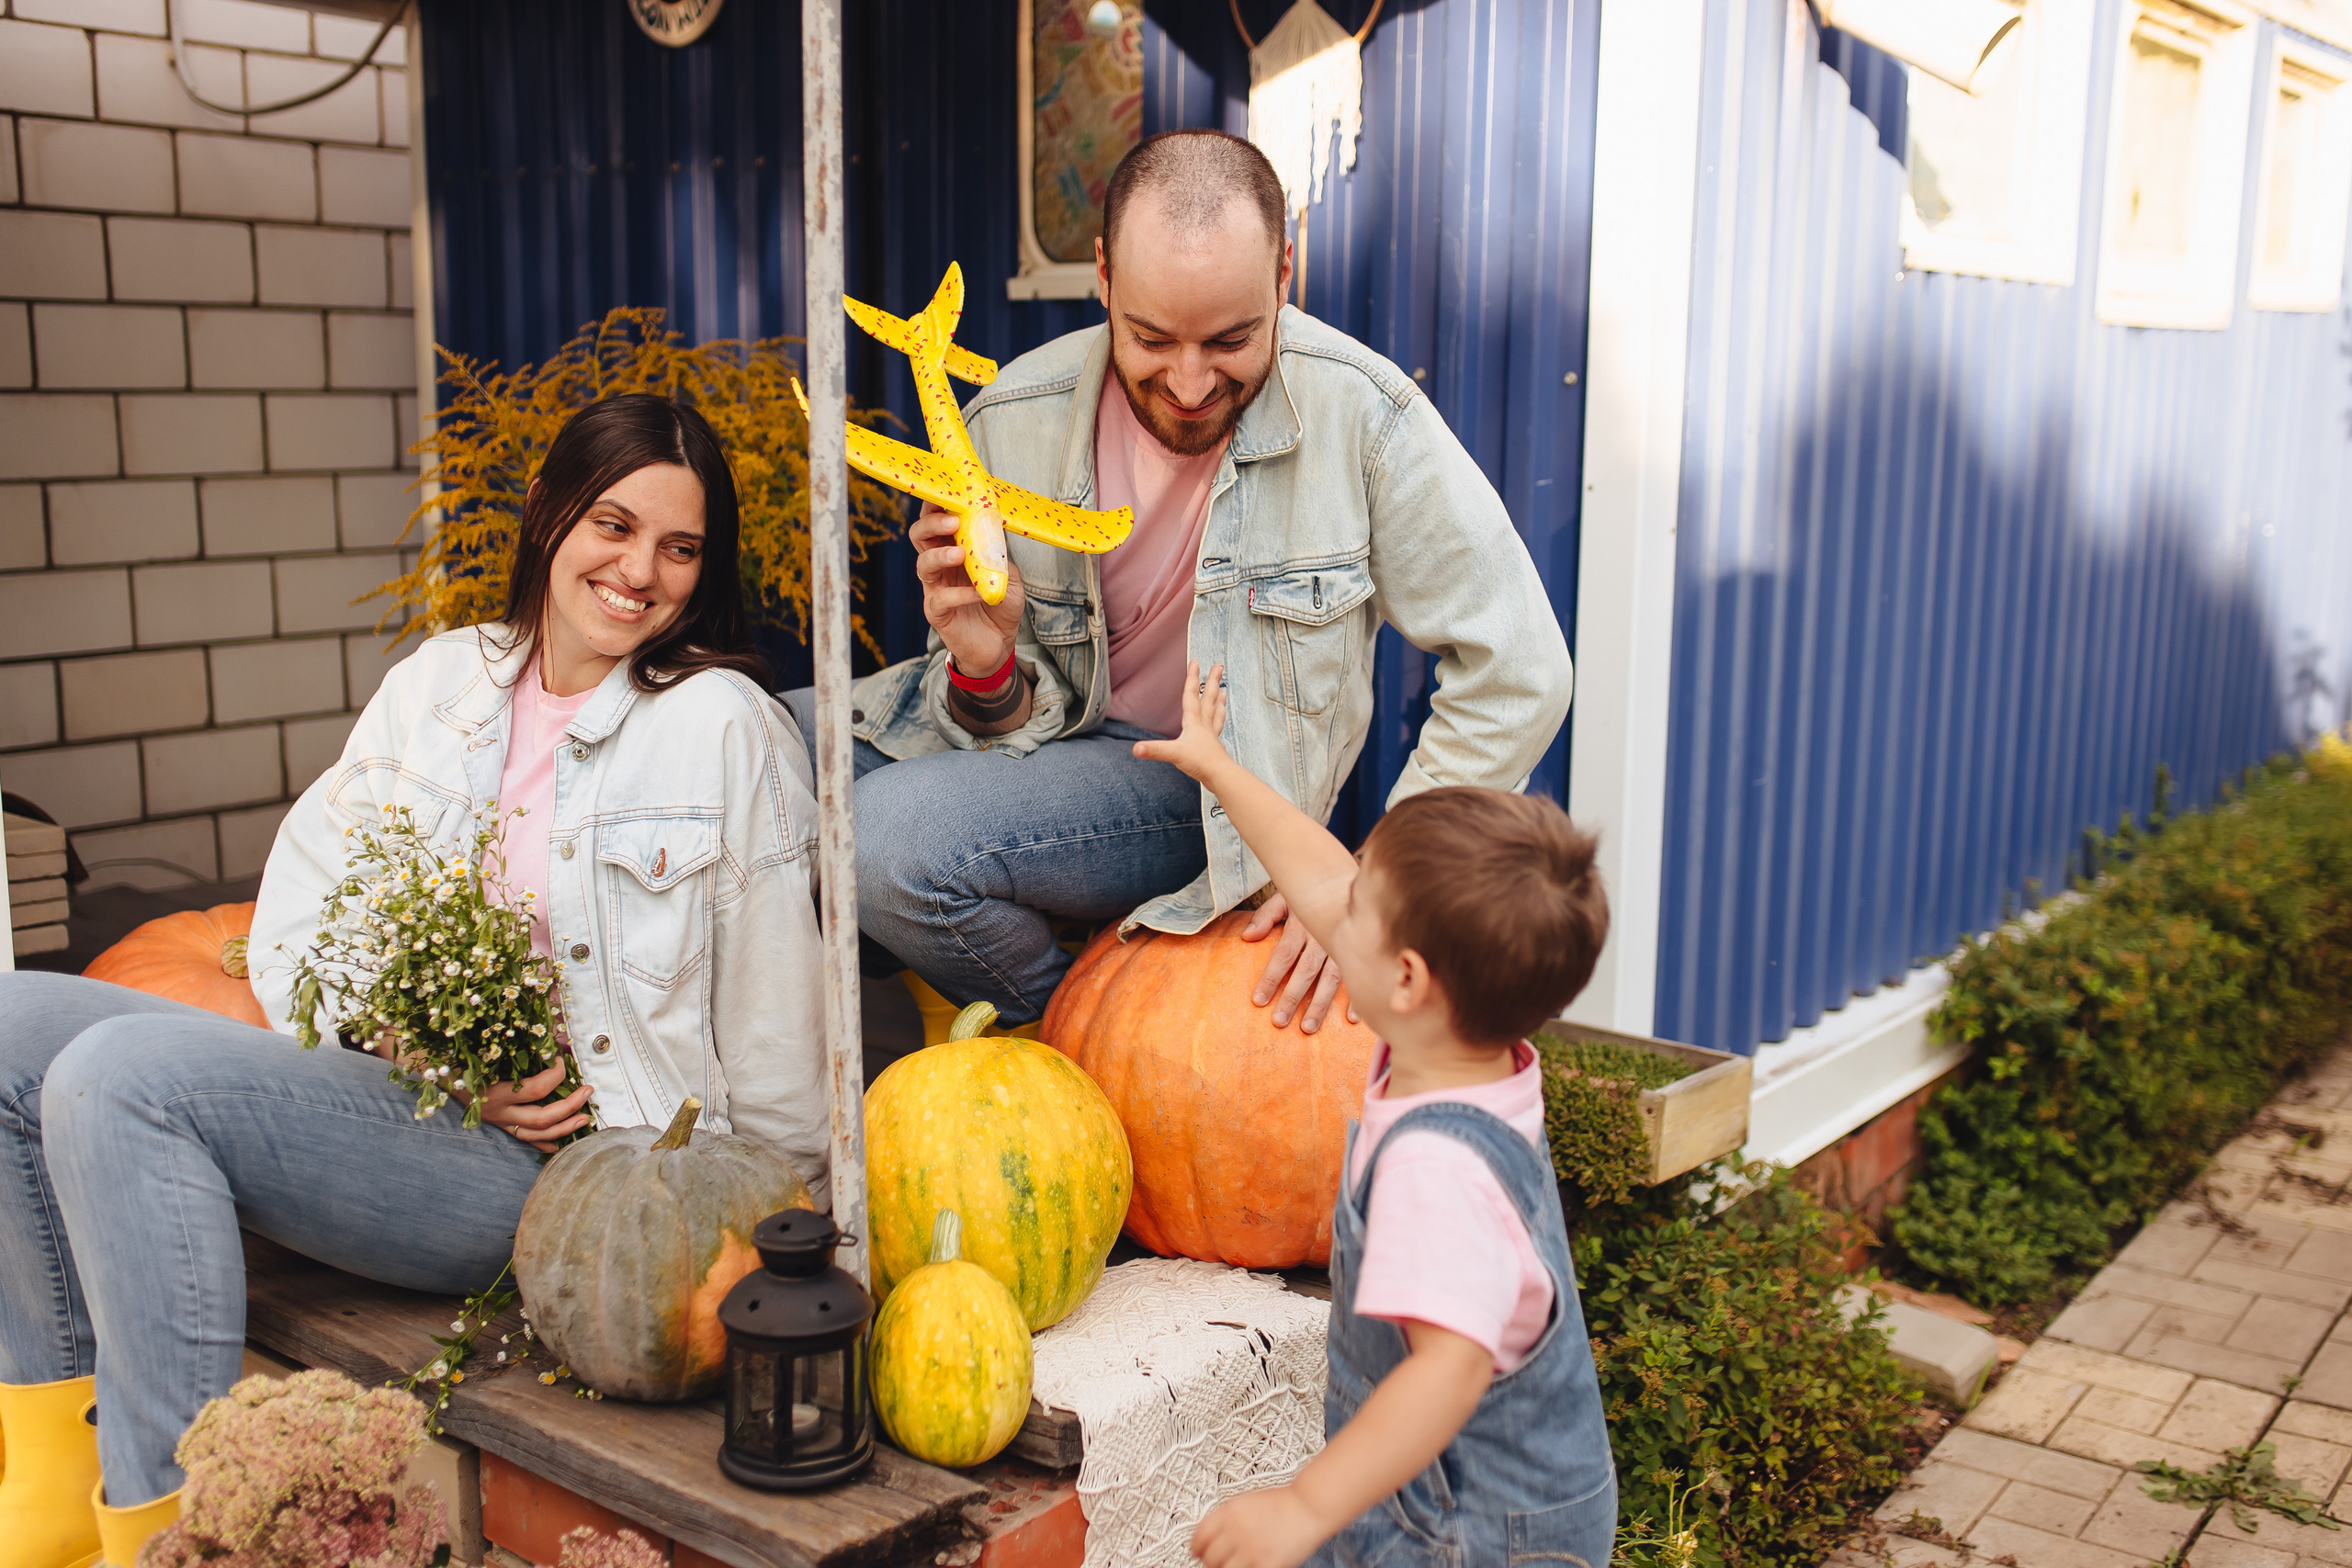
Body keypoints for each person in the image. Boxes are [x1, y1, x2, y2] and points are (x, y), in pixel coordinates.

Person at [0, 395, 826, 1568]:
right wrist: (415, 1045)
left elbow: (782, 1032)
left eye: (680, 547)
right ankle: (47, 1501)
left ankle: (183, 1532)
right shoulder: (441, 683)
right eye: (613, 525)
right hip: (411, 1100)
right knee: (12, 1023)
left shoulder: (721, 728)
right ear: (547, 512)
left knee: (120, 1077)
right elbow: (299, 917)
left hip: (568, 1175)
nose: (640, 572)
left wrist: (787, 1261)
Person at [783, 129, 1571, 1030]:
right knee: (759, 733)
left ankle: (1092, 1041)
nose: (1191, 384)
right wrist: (984, 664)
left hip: (1206, 793)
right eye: (1151, 338)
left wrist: (1379, 889)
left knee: (883, 840)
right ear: (1103, 277)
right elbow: (996, 723)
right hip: (1048, 747)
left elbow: (1521, 671)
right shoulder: (1013, 413)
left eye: (1231, 340)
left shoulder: (1366, 414)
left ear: (1283, 275)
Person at [1136, 661, 1615, 1568]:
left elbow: (1448, 1371)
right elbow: (1321, 879)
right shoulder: (1467, 1052)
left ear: (1406, 979)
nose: (1328, 910)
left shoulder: (1438, 1171)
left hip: (1477, 1530)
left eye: (1358, 907)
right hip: (1464, 1497)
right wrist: (1219, 767)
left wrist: (1304, 1506)